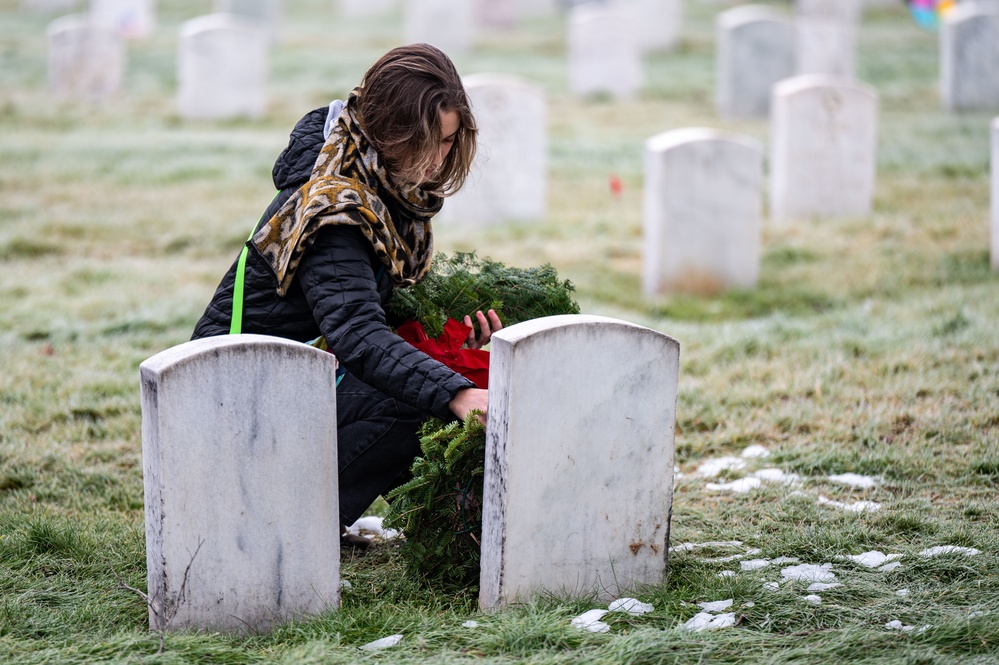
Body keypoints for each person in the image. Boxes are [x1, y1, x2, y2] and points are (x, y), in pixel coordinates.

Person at [191, 43, 502, 546]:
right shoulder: (335, 208)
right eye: (430, 142)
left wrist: (455, 333)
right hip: (231, 407)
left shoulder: (376, 179)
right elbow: (356, 335)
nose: (440, 158)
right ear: (391, 131)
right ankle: (285, 529)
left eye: (448, 141)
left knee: (426, 376)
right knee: (415, 399)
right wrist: (456, 392)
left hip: (283, 390)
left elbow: (369, 308)